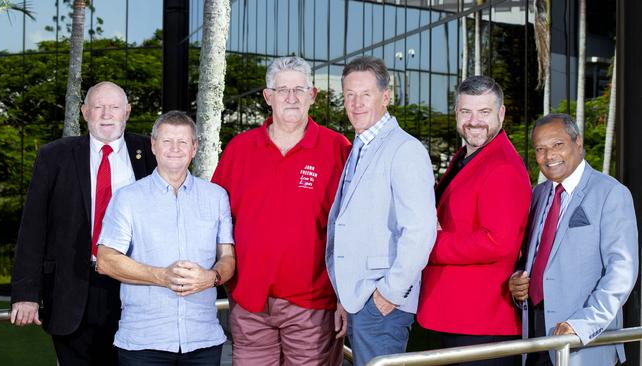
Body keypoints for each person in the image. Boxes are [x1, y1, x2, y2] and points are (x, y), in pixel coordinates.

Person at [211, 56, 350, 366]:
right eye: (282, 89)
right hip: (249, 301)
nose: (291, 97)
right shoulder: (240, 149)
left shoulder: (337, 148)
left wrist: (346, 297)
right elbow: (214, 219)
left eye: (299, 89)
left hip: (314, 303)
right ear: (267, 96)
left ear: (313, 95)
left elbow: (352, 229)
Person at [10, 81, 157, 365]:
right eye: (98, 107)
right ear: (84, 112)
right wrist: (26, 295)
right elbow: (33, 229)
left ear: (127, 111)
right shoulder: (54, 156)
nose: (106, 114)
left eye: (114, 107)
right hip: (71, 289)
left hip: (136, 289)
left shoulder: (150, 153)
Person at [96, 111, 235, 365]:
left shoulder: (216, 197)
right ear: (153, 145)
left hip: (202, 339)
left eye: (183, 142)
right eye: (166, 141)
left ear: (194, 148)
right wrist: (162, 276)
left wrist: (211, 277)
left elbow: (227, 258)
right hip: (144, 341)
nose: (175, 148)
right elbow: (105, 260)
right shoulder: (128, 198)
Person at [325, 55, 438, 366]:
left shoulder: (405, 149)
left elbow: (419, 231)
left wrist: (388, 295)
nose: (356, 103)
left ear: (386, 97)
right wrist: (345, 298)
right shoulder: (360, 146)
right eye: (349, 94)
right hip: (359, 299)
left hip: (382, 303)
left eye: (366, 94)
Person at [417, 75, 531, 366]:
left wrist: (431, 242)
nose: (474, 121)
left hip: (482, 322)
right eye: (466, 111)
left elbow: (497, 242)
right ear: (456, 113)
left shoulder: (502, 166)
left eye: (484, 112)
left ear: (501, 114)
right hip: (458, 315)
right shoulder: (466, 157)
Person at [509, 114, 638, 366]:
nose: (548, 156)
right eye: (540, 149)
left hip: (582, 343)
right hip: (535, 338)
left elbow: (621, 274)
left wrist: (582, 326)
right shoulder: (537, 195)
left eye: (558, 145)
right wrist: (518, 282)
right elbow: (532, 259)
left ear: (578, 143)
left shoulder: (611, 193)